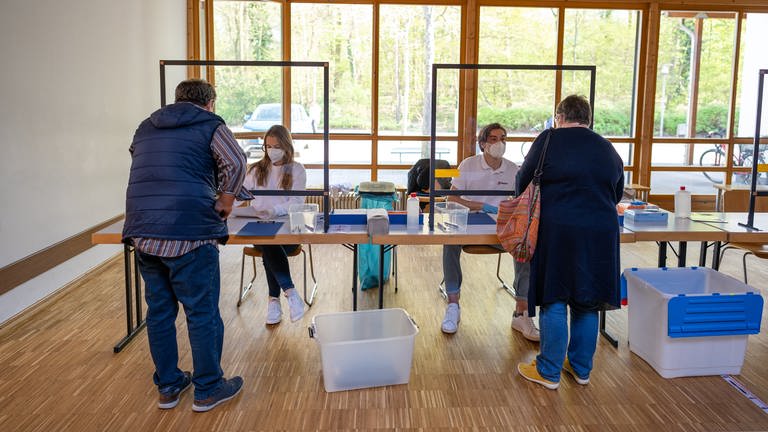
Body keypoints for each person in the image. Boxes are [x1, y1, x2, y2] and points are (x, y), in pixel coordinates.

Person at [122, 78, 247, 412]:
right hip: (189, 232)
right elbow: (235, 163)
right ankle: (207, 388)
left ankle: (168, 385)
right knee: (201, 312)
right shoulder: (210, 124)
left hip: (144, 230)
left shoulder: (146, 126)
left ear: (176, 101)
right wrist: (226, 200)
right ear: (209, 103)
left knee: (160, 313)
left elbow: (153, 163)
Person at [516, 95, 624, 389]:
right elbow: (617, 192)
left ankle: (549, 371)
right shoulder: (607, 147)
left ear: (559, 117)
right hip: (601, 232)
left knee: (554, 296)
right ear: (588, 119)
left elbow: (522, 181)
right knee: (587, 301)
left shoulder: (549, 139)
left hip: (558, 230)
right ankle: (580, 369)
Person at [440, 123, 539, 341]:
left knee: (526, 243)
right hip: (470, 226)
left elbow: (524, 200)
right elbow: (452, 198)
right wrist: (479, 205)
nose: (499, 143)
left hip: (501, 230)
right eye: (493, 139)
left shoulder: (514, 169)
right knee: (450, 241)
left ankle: (521, 312)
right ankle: (453, 305)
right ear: (483, 143)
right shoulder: (467, 165)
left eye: (503, 138)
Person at [234, 124, 307, 325]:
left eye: (276, 146)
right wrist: (225, 205)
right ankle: (290, 293)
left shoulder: (297, 170)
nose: (271, 150)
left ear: (286, 145)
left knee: (270, 247)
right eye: (267, 146)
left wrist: (273, 211)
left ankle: (274, 300)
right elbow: (240, 194)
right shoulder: (257, 169)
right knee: (267, 241)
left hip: (287, 230)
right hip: (260, 228)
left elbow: (297, 202)